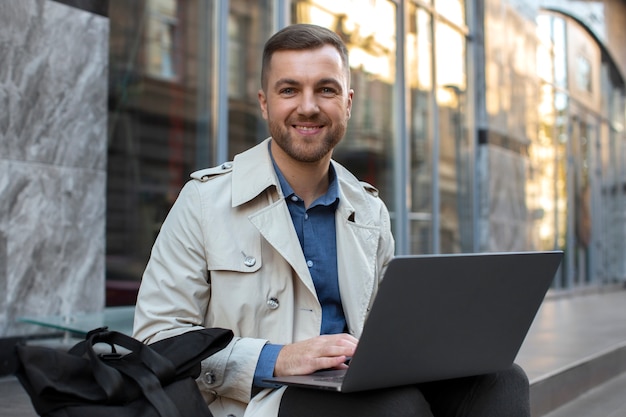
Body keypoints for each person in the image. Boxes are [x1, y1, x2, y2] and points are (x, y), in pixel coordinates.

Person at [133, 23, 530, 417]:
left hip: (354, 387)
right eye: (289, 90)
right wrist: (276, 359)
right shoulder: (204, 200)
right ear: (264, 103)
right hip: (256, 403)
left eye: (326, 89)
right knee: (394, 409)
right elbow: (157, 339)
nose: (308, 106)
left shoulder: (369, 209)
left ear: (348, 103)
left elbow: (386, 331)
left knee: (503, 380)